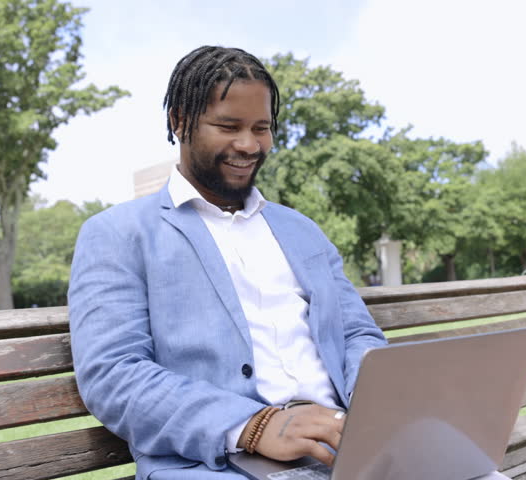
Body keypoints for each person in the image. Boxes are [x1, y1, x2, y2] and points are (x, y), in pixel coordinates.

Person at [68, 46, 388, 479]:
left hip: (343, 446)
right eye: (228, 126)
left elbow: (354, 332)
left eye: (262, 128)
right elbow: (113, 375)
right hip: (219, 463)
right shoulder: (119, 234)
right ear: (179, 122)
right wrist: (254, 426)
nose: (249, 144)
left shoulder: (301, 230)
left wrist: (381, 407)